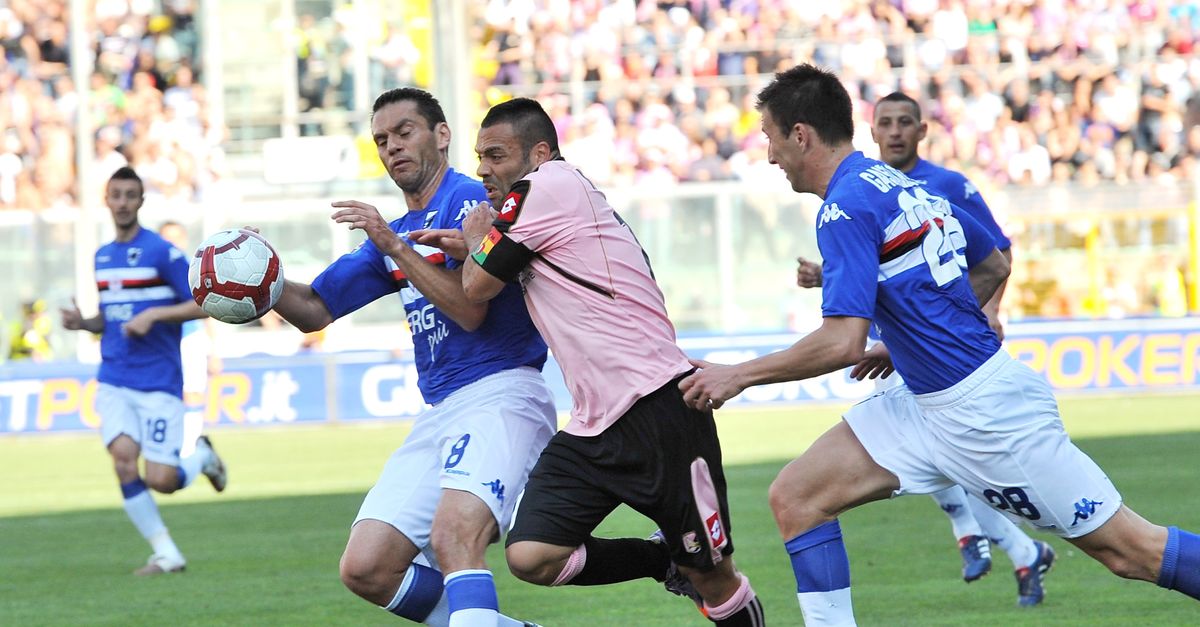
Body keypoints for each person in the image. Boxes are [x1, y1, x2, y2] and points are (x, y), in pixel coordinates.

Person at [678, 64, 1200, 624]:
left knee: (1131, 551)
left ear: (800, 134)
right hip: (927, 406)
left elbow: (840, 343)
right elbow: (992, 264)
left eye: (771, 138)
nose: (771, 155)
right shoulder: (900, 186)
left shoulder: (844, 206)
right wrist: (909, 342)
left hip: (987, 414)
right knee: (797, 498)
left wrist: (739, 375)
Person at [455, 97, 764, 626]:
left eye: (497, 155)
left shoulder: (548, 183)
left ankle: (690, 565)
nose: (483, 169)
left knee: (715, 576)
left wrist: (474, 240)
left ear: (540, 152)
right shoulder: (552, 201)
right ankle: (660, 559)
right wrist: (481, 246)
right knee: (531, 554)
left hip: (660, 408)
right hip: (596, 423)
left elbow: (476, 286)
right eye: (480, 156)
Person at [267, 87, 555, 627]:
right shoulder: (394, 233)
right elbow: (313, 309)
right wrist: (260, 280)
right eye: (382, 140)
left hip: (502, 393)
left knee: (453, 536)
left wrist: (393, 246)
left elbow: (471, 308)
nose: (393, 146)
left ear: (441, 135)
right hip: (441, 409)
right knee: (368, 567)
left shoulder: (475, 203)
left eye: (405, 132)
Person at [794, 91, 1049, 605]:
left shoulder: (946, 185)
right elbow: (881, 265)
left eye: (904, 122)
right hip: (907, 345)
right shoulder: (866, 189)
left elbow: (996, 254)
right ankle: (1012, 549)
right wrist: (830, 276)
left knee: (961, 460)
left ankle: (995, 541)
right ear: (870, 131)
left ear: (921, 130)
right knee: (940, 453)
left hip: (954, 349)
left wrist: (989, 313)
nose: (894, 132)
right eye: (884, 123)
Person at [60, 166, 227, 576]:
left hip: (158, 381)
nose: (121, 202)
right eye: (115, 194)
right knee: (121, 461)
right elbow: (110, 318)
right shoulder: (102, 257)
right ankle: (167, 553)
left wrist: (155, 315)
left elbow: (204, 303)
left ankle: (201, 455)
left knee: (161, 480)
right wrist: (85, 323)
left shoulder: (161, 253)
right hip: (115, 376)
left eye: (129, 195)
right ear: (106, 199)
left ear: (140, 202)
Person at [158, 220, 220, 455]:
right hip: (163, 340)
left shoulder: (195, 270)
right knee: (167, 394)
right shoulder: (154, 272)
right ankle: (169, 444)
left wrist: (213, 350)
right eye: (166, 238)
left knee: (193, 391)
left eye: (176, 237)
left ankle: (190, 446)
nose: (172, 243)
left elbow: (209, 309)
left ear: (184, 241)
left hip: (191, 337)